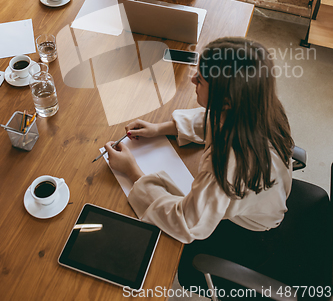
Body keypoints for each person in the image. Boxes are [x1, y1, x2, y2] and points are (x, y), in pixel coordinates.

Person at [105, 37, 294, 248]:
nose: (193, 79)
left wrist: (132, 171)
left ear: (226, 101)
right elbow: (215, 120)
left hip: (246, 235)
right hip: (267, 202)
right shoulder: (259, 107)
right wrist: (161, 128)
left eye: (201, 79)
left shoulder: (226, 166)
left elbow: (185, 221)